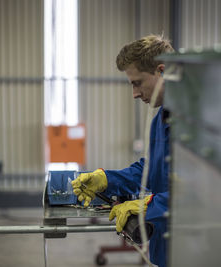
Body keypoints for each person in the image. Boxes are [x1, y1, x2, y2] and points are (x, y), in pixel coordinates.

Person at [72, 35, 174, 267]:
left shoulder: (198, 121)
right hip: (164, 249)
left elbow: (206, 195)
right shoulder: (161, 118)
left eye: (137, 82)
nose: (135, 94)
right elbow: (150, 170)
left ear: (162, 71)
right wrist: (106, 179)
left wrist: (151, 205)